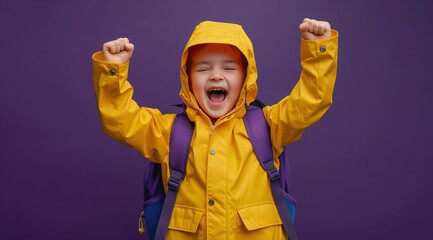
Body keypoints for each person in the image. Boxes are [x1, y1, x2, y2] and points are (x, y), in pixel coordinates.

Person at [92, 18, 338, 239]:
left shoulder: (269, 125)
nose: (216, 76)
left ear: (245, 79)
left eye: (229, 68)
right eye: (203, 68)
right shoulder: (168, 132)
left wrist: (319, 51)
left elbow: (310, 101)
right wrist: (113, 72)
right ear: (188, 79)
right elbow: (120, 119)